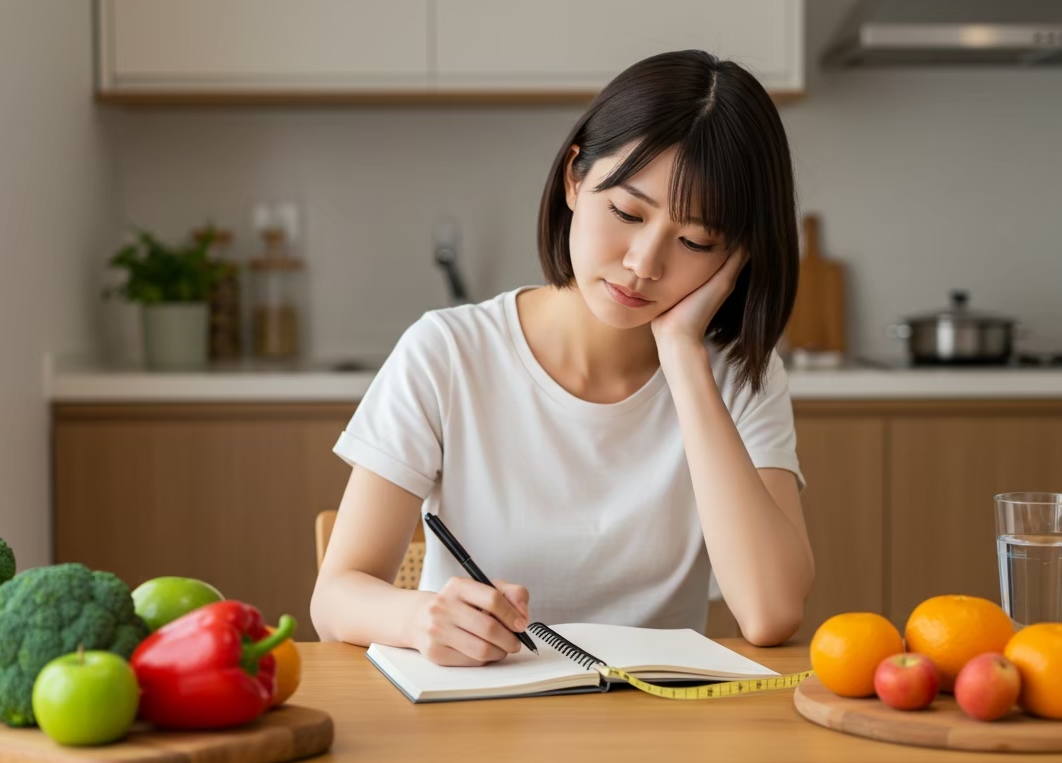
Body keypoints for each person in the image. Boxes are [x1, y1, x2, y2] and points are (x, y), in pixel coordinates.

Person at [312, 50, 814, 666]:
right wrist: (422, 618)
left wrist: (684, 356)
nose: (644, 264)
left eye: (695, 241)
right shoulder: (447, 351)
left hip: (655, 731)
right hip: (475, 726)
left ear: (735, 255)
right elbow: (335, 598)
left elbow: (770, 613)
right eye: (627, 213)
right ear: (575, 179)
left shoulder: (737, 378)